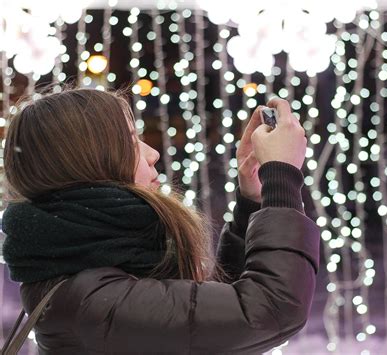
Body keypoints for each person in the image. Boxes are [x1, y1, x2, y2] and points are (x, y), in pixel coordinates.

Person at [1, 89, 320, 354]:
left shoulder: (89, 266)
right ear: (93, 162)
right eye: (130, 141)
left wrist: (254, 198)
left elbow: (201, 322)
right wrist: (281, 174)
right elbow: (269, 310)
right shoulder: (90, 300)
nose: (152, 153)